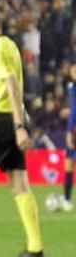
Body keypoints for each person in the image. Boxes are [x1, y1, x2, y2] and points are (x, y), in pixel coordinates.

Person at [0, 10, 44, 257]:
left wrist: (18, 126)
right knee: (19, 183)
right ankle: (35, 248)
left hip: (0, 122)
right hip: (8, 120)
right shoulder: (9, 46)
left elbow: (12, 86)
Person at [63, 63, 76, 212]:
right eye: (73, 70)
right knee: (69, 164)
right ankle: (67, 199)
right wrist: (68, 133)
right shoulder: (71, 87)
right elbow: (73, 112)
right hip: (73, 131)